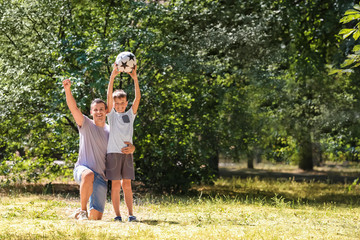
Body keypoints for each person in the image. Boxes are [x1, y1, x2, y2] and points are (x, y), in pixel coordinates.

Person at [63, 79, 135, 221]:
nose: (99, 112)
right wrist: (67, 90)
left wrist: (132, 148)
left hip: (101, 178)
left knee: (96, 218)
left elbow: (123, 148)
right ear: (91, 112)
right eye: (95, 110)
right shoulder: (86, 124)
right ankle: (83, 210)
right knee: (88, 174)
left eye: (101, 109)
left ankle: (79, 213)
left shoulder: (111, 130)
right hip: (83, 170)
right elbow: (73, 109)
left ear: (106, 111)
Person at [106, 63, 140, 222]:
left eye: (122, 103)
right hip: (113, 154)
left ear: (126, 103)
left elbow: (138, 98)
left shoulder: (130, 115)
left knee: (127, 185)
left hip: (127, 154)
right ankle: (117, 215)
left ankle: (131, 214)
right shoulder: (111, 114)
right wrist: (112, 77)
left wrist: (135, 79)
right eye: (116, 103)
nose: (119, 105)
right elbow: (109, 96)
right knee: (115, 186)